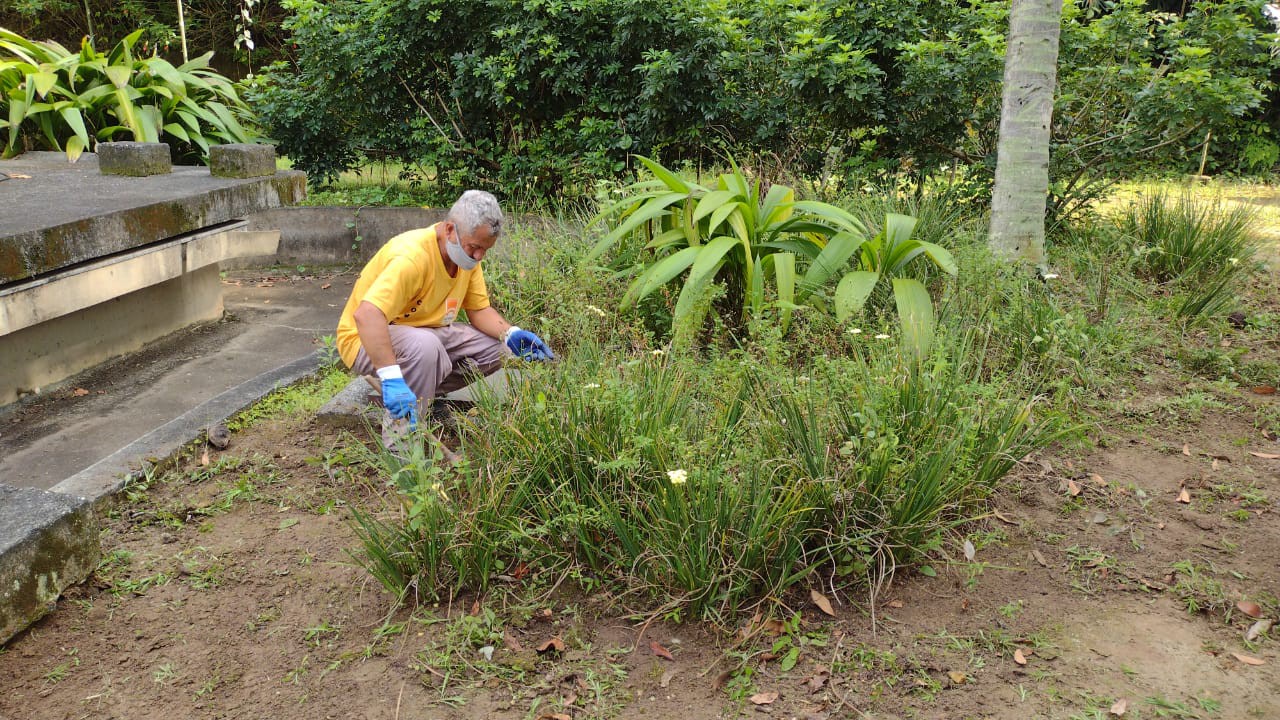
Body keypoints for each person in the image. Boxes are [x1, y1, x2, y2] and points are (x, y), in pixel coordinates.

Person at [335, 190, 553, 447]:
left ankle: (421, 395)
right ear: (450, 229)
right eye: (474, 247)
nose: (479, 256)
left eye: (485, 250)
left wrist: (511, 333)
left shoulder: (466, 259)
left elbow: (479, 310)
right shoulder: (411, 257)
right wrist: (391, 375)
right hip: (367, 339)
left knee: (499, 349)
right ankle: (401, 447)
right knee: (425, 347)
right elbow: (367, 315)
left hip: (426, 333)